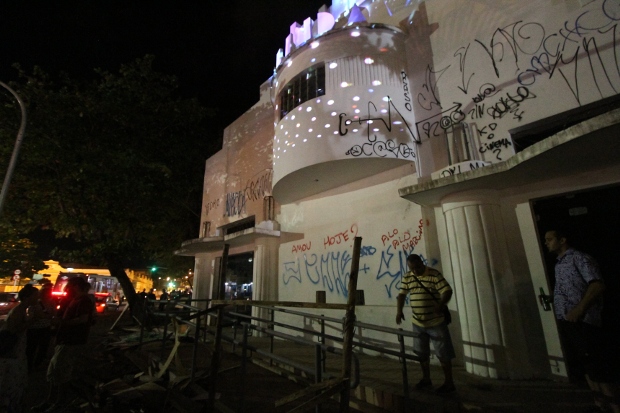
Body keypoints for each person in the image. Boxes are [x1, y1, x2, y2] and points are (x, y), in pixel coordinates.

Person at [545, 229, 619, 413]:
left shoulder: (580, 258)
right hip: (566, 318)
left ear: (562, 240)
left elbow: (597, 284)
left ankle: (615, 404)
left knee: (597, 364)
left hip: (584, 319)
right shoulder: (559, 264)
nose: (546, 243)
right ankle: (600, 402)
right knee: (584, 363)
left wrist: (579, 309)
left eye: (550, 239)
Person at [32, 277, 95, 412]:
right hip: (65, 340)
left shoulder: (83, 301)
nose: (67, 288)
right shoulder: (75, 299)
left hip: (72, 341)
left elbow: (82, 320)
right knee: (54, 372)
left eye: (70, 285)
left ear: (76, 286)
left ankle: (58, 403)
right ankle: (51, 401)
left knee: (61, 373)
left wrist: (61, 322)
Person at [396, 254, 456, 393]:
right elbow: (402, 294)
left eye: (417, 267)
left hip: (436, 322)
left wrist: (441, 304)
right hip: (418, 322)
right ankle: (426, 379)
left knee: (443, 353)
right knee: (422, 353)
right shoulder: (408, 276)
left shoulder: (434, 274)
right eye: (412, 268)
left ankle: (449, 382)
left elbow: (447, 290)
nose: (415, 271)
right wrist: (399, 311)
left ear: (421, 263)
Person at [0, 284, 40, 413]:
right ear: (28, 297)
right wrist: (32, 321)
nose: (37, 299)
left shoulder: (22, 309)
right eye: (35, 296)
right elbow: (14, 330)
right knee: (11, 381)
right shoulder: (19, 310)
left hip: (16, 350)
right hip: (13, 351)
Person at [26, 283, 56, 372]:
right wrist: (48, 316)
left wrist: (46, 316)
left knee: (42, 347)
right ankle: (31, 365)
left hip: (44, 328)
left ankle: (36, 364)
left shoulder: (51, 302)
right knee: (32, 348)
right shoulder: (35, 303)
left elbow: (52, 314)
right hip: (35, 328)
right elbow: (39, 315)